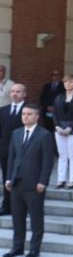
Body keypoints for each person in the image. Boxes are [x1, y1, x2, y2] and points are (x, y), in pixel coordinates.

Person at [2, 104, 54, 257]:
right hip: (17, 183)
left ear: (37, 116)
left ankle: (34, 249)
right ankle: (17, 248)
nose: (25, 116)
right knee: (17, 218)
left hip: (34, 184)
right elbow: (12, 158)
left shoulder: (44, 135)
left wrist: (43, 181)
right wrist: (9, 178)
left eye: (29, 114)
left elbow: (47, 161)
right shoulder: (16, 133)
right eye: (24, 114)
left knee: (36, 219)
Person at [52, 74, 73, 190]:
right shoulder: (59, 97)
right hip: (60, 128)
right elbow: (55, 113)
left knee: (72, 154)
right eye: (66, 82)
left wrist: (70, 127)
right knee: (62, 155)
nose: (68, 84)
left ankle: (72, 180)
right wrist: (57, 126)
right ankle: (60, 179)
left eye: (71, 82)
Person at [0, 83, 26, 215]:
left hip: (23, 151)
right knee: (7, 179)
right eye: (12, 92)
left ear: (24, 94)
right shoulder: (3, 110)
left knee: (22, 179)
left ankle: (21, 206)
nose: (15, 94)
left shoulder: (30, 110)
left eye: (18, 92)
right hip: (5, 151)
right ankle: (7, 205)